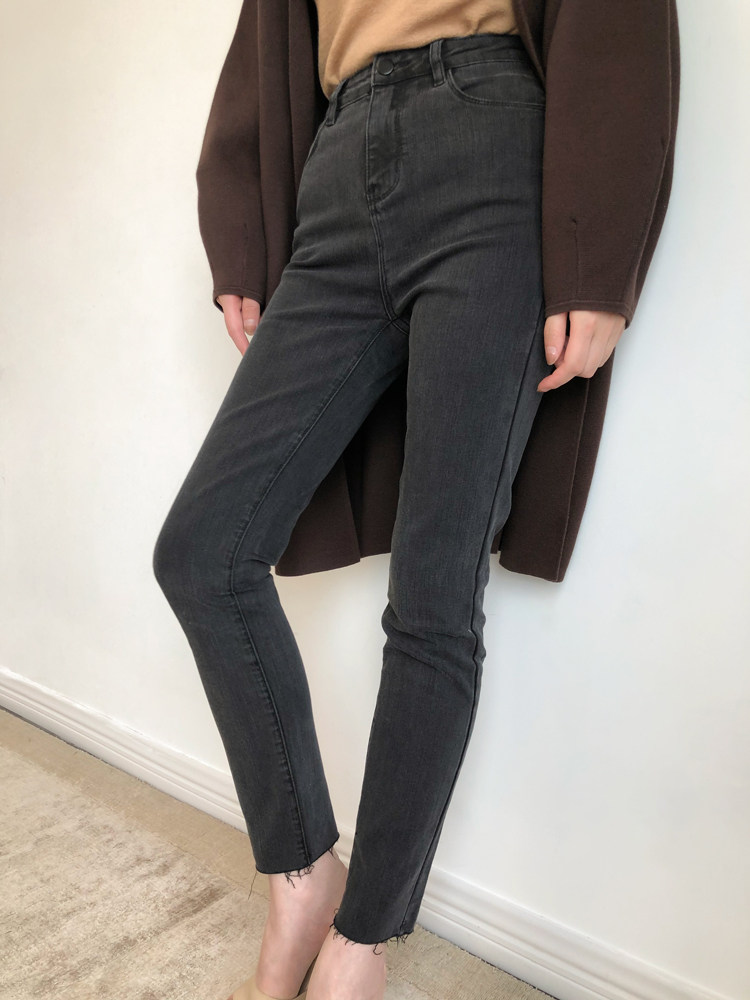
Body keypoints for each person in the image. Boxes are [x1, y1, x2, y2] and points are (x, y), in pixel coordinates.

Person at [152, 2, 679, 998]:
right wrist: (242, 229)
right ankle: (303, 874)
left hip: (493, 142)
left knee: (435, 593)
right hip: (338, 159)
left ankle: (364, 938)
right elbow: (265, 39)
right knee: (203, 551)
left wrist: (598, 250)